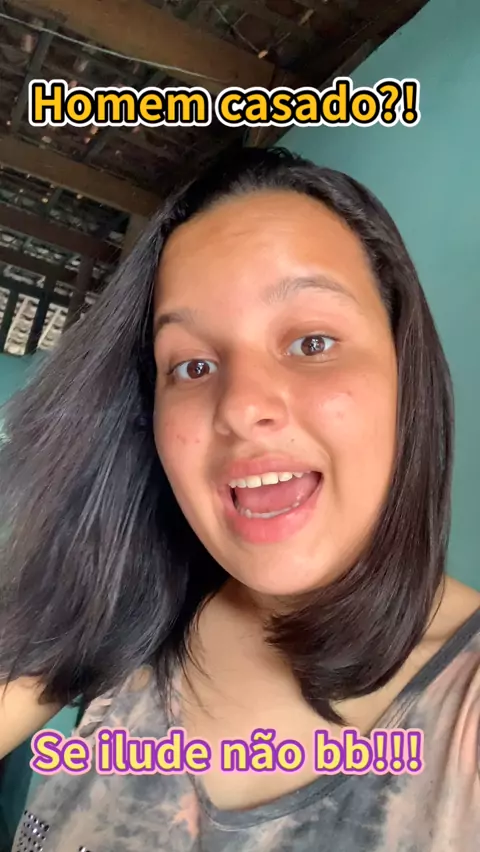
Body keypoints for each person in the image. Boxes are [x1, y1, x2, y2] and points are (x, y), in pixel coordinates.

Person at [0, 146, 478, 852]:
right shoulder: (124, 617)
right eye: (192, 365)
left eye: (311, 342)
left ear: (406, 374)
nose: (241, 406)